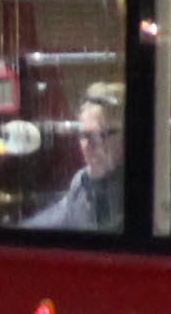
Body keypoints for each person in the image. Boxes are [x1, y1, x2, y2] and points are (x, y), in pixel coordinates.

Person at [23, 84, 127, 230]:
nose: (91, 145)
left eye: (102, 134)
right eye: (85, 135)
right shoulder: (82, 183)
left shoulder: (150, 187)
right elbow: (51, 220)